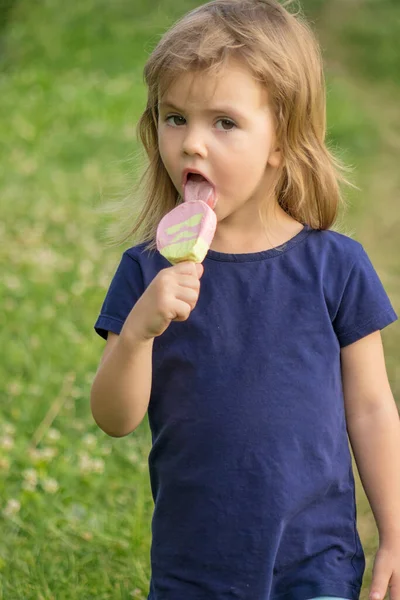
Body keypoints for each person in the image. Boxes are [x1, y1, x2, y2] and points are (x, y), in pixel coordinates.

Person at [90, 1, 400, 599]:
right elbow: (114, 418)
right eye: (174, 117)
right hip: (194, 566)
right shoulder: (147, 271)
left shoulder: (336, 267)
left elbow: (371, 409)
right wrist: (137, 334)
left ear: (281, 141)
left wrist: (393, 531)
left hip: (317, 562)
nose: (192, 145)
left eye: (224, 123)